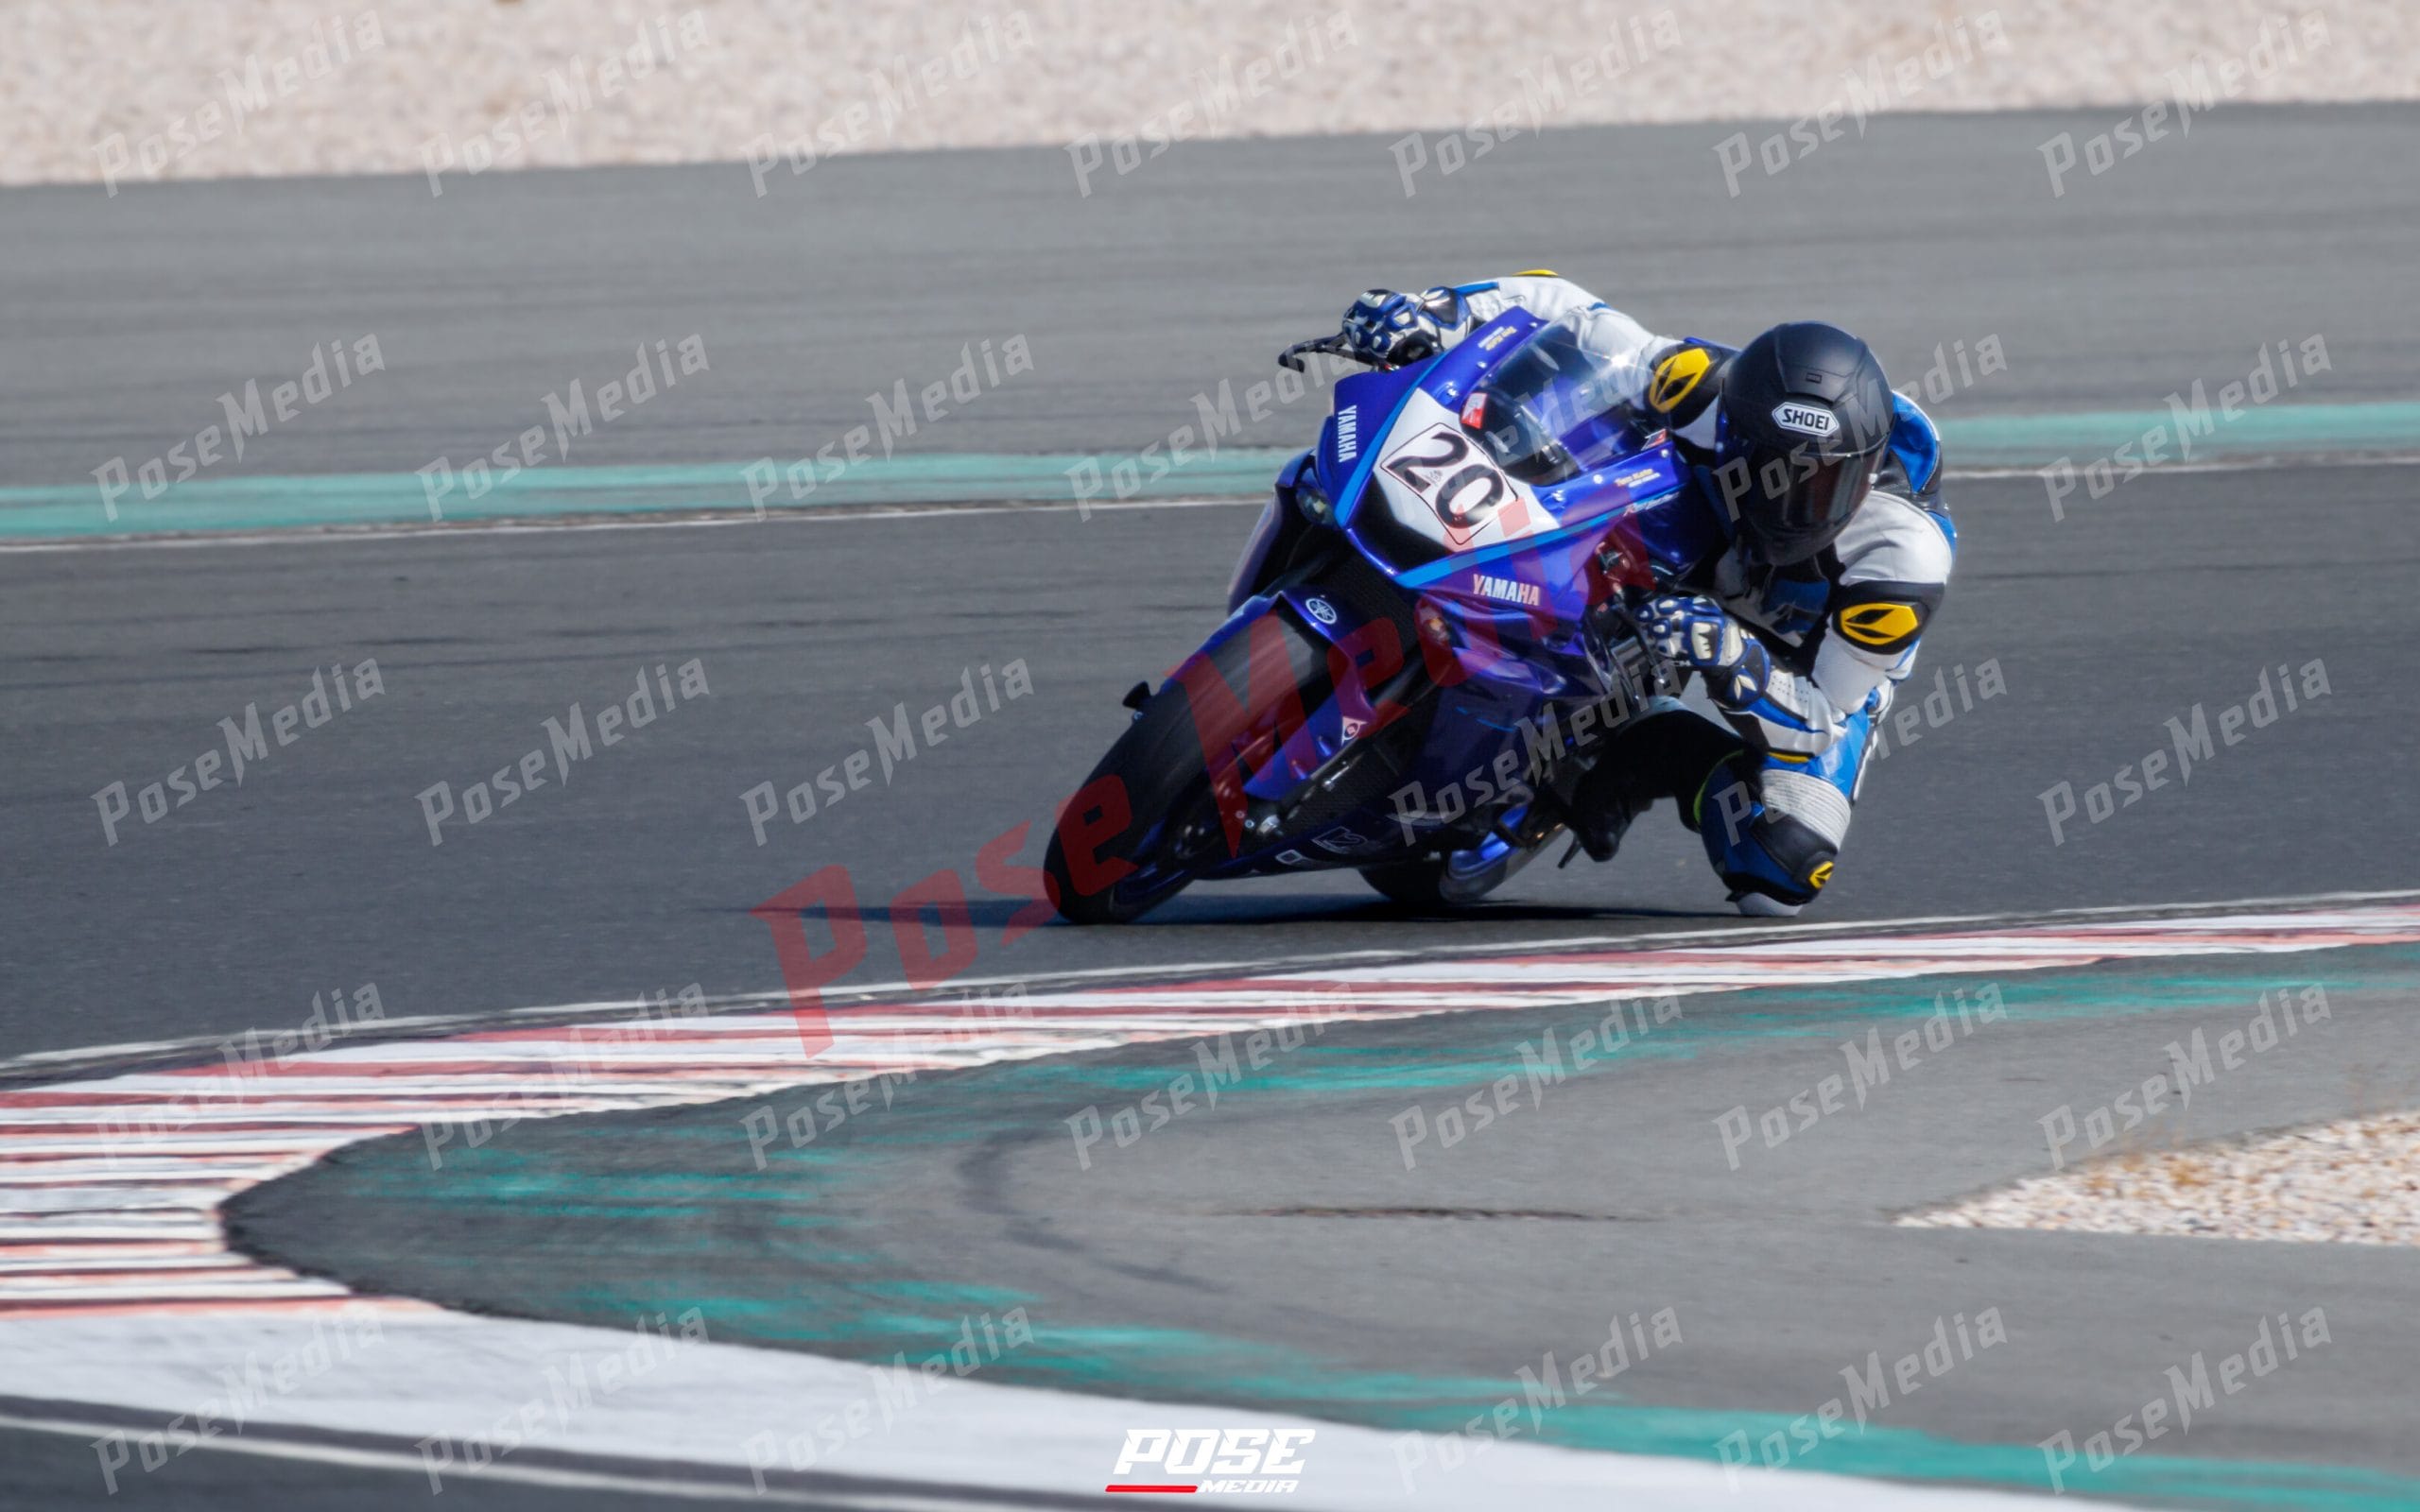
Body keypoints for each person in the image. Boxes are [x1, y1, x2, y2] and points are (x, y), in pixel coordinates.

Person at [1329, 273, 1955, 916]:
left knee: (1784, 864)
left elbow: (1821, 722)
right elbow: (1568, 310)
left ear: (1864, 473)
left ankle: (1646, 747)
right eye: (1770, 470)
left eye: (1819, 486)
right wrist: (1441, 310)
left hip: (1797, 663)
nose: (1789, 506)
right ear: (1733, 431)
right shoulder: (1704, 388)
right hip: (1698, 546)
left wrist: (1732, 654)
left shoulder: (1900, 562)